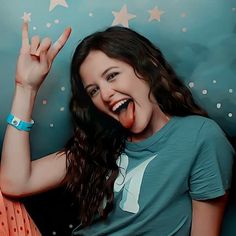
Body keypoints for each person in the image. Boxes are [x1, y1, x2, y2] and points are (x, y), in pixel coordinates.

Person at [0, 22, 235, 236]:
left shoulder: (201, 136)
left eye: (112, 76)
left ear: (148, 68)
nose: (105, 94)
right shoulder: (100, 145)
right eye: (93, 90)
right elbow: (14, 183)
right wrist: (26, 88)